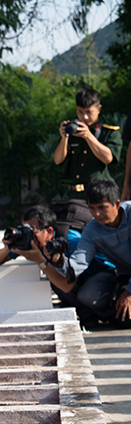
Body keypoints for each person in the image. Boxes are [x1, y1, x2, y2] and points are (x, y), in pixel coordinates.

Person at [34, 180, 131, 326]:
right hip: (125, 274)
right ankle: (114, 314)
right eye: (92, 208)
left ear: (117, 204)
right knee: (122, 318)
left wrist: (129, 292)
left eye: (102, 208)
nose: (97, 214)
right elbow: (77, 265)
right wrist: (58, 260)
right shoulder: (92, 230)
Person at [53, 87, 121, 199]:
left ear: (98, 109)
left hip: (100, 194)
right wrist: (64, 138)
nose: (84, 117)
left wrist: (88, 136)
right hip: (73, 195)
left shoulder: (109, 132)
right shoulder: (72, 131)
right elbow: (58, 160)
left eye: (89, 112)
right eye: (80, 112)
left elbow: (108, 158)